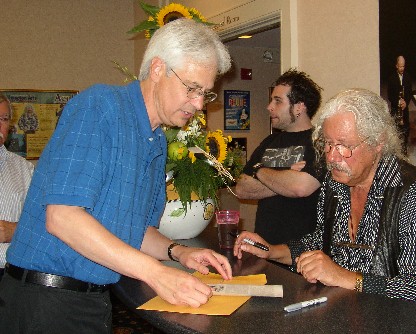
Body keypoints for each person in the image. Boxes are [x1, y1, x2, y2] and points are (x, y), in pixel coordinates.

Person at [0, 19, 233, 333]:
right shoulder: (100, 108)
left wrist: (180, 252)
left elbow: (135, 231)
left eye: (205, 94)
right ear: (157, 69)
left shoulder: (156, 140)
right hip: (43, 303)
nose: (199, 104)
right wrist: (156, 273)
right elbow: (62, 217)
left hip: (92, 302)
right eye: (192, 89)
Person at [234, 88, 416, 307]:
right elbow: (319, 242)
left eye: (344, 146)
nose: (332, 157)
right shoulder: (336, 185)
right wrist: (272, 251)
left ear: (378, 142)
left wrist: (344, 277)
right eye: (328, 144)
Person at [235, 69, 324, 244]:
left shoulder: (319, 142)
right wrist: (287, 176)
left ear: (299, 107)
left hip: (301, 255)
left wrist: (259, 170)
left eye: (278, 101)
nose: (269, 107)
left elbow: (301, 187)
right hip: (263, 247)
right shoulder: (269, 141)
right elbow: (242, 188)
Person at [0, 93, 34, 276]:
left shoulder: (25, 169)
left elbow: (43, 223)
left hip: (11, 275)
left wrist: (15, 231)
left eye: (3, 119)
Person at [387, 55, 413, 153]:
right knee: (396, 129)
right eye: (400, 66)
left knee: (406, 129)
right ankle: (396, 150)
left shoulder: (408, 77)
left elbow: (410, 93)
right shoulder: (391, 78)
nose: (402, 68)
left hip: (404, 108)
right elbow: (390, 95)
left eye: (403, 66)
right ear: (396, 66)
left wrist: (406, 102)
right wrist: (398, 102)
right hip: (395, 109)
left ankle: (404, 148)